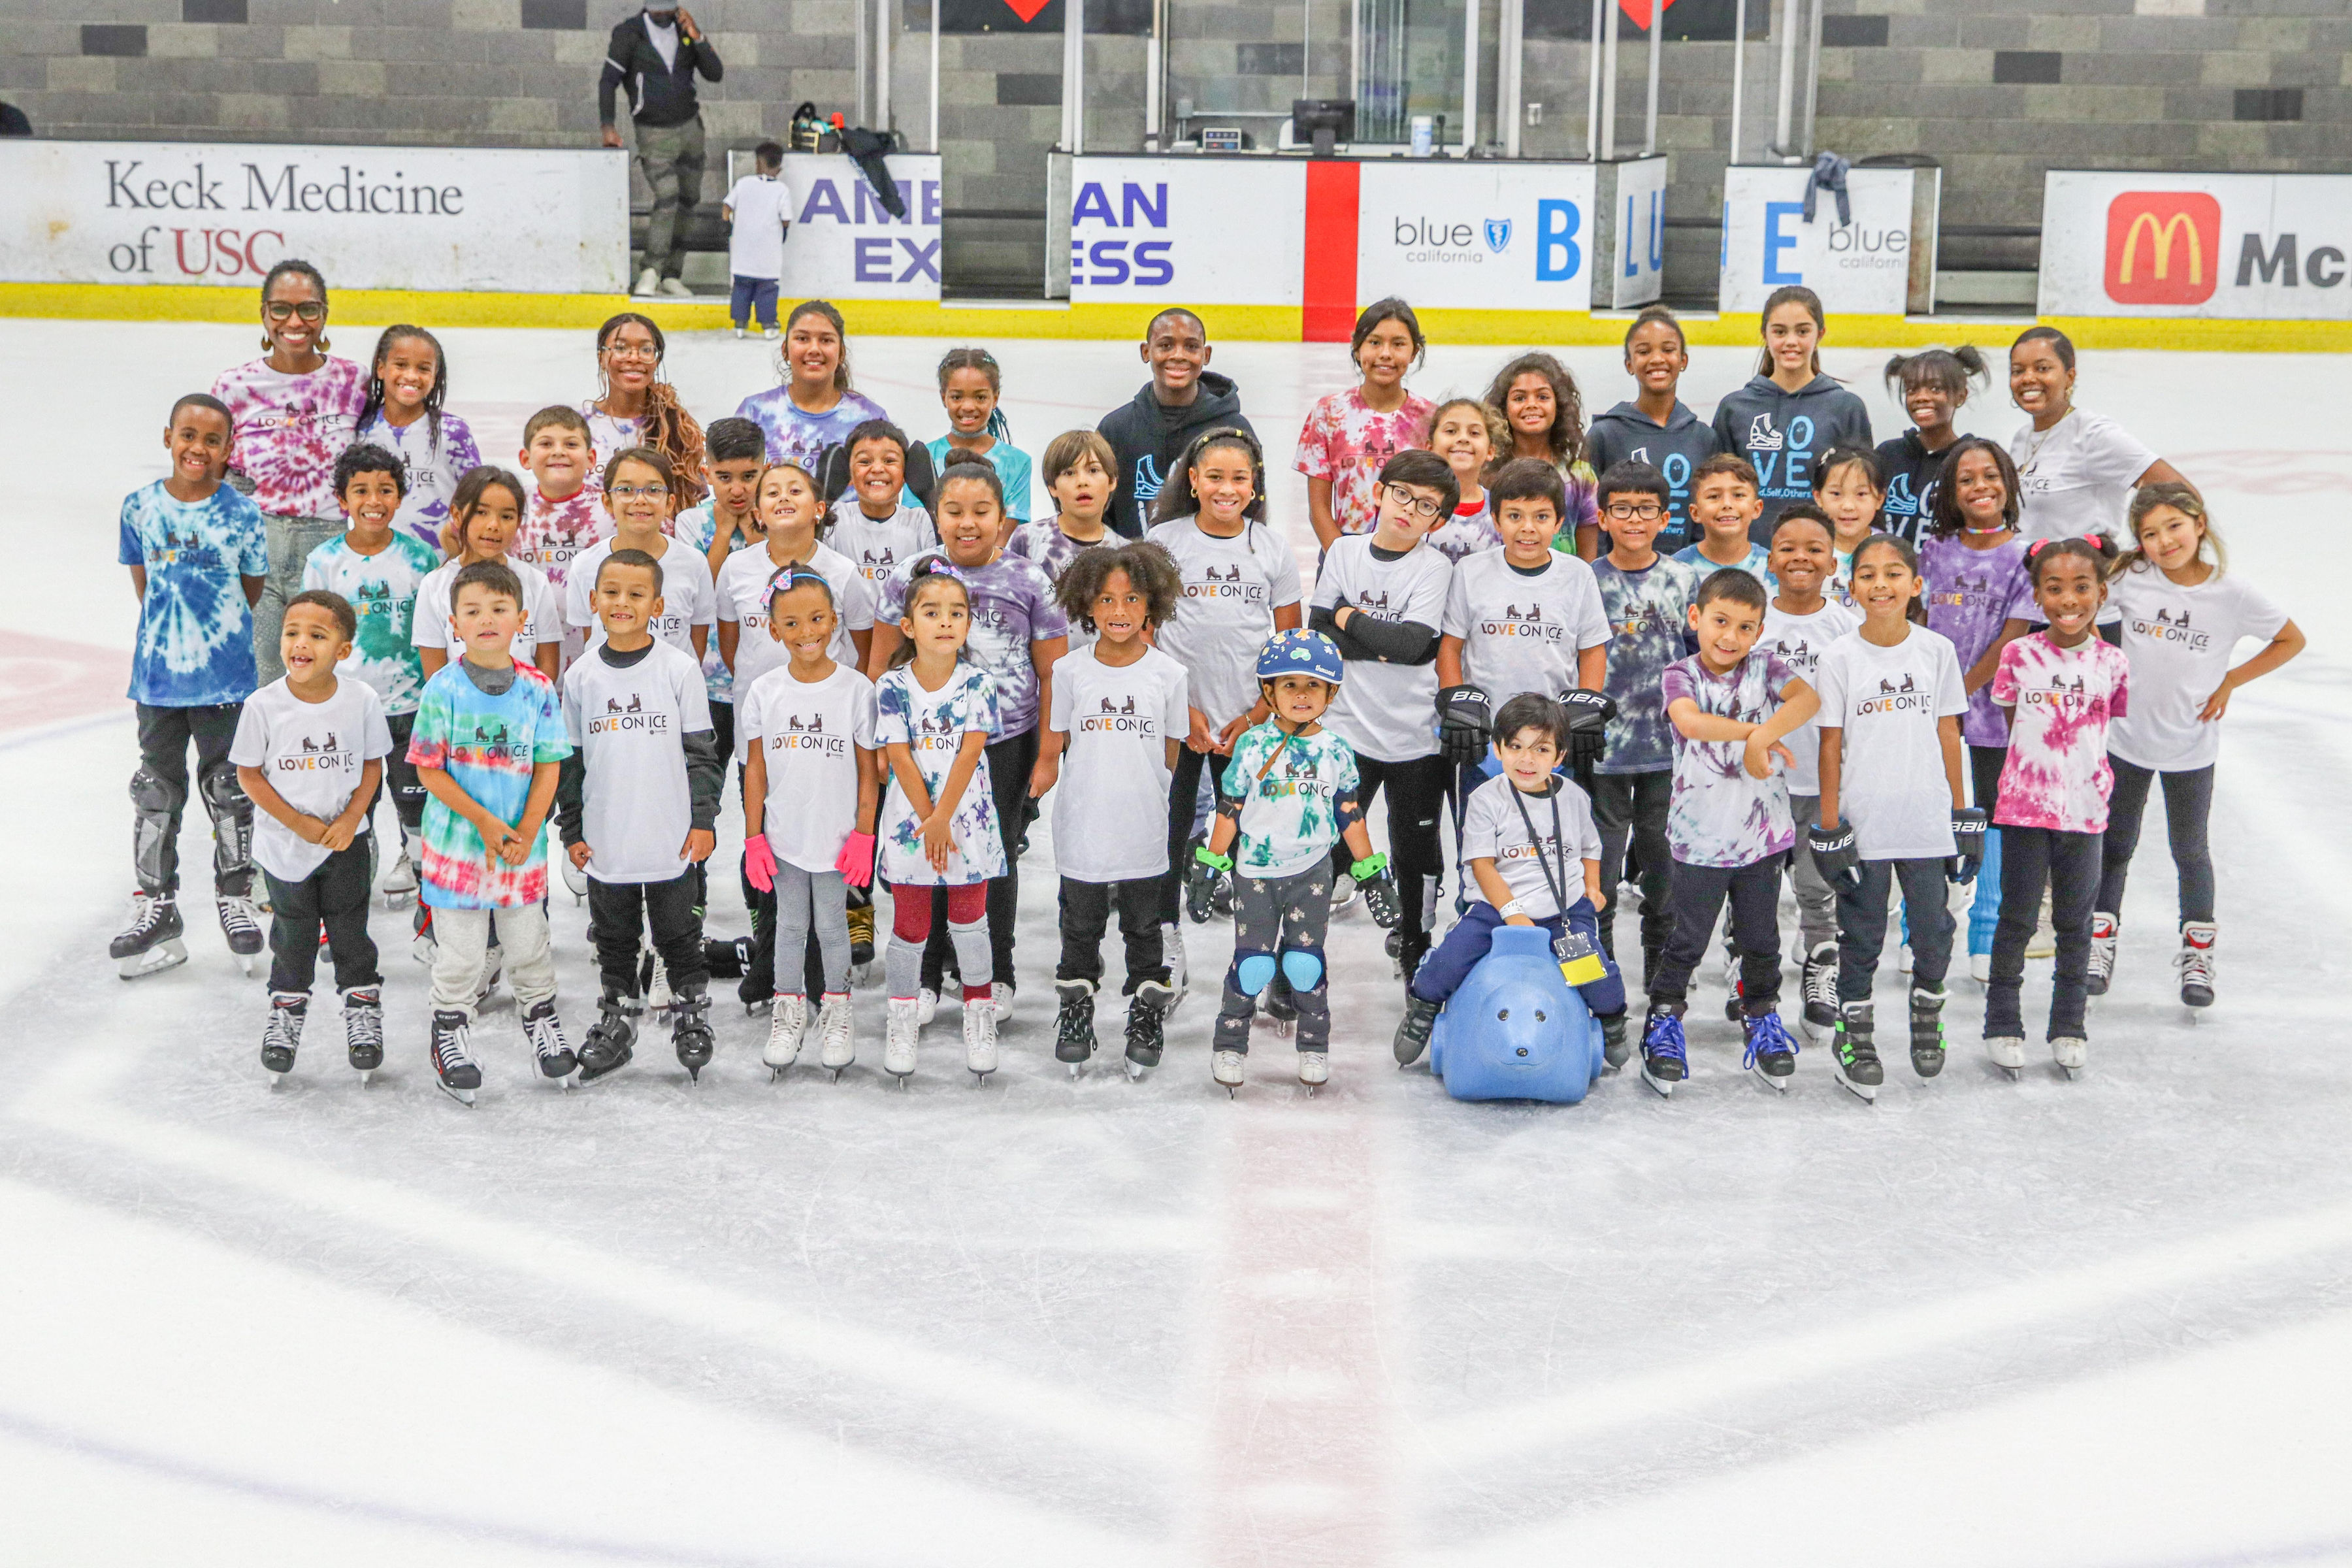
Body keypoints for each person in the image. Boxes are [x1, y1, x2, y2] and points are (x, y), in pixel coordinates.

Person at [870, 452, 1068, 1021]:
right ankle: (928, 972)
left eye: (982, 511)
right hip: (922, 746)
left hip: (1005, 742)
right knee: (927, 852)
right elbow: (882, 664)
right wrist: (882, 750)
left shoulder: (1028, 579)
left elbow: (1052, 670)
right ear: (935, 516)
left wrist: (1049, 751)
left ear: (1003, 517)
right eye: (953, 511)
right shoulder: (909, 576)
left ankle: (992, 970)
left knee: (990, 854)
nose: (967, 523)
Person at [2095, 484, 2302, 1007]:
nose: (2165, 541)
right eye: (2149, 534)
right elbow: (2090, 615)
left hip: (2191, 746)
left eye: (2174, 527)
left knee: (2189, 850)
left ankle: (2198, 954)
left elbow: (2290, 639)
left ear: (2199, 524)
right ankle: (2099, 943)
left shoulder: (2231, 593)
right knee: (2116, 845)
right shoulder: (2130, 578)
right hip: (2126, 740)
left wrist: (2230, 681)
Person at [1187, 630, 1399, 1094]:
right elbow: (1230, 810)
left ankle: (1314, 1044)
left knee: (1305, 964)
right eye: (1290, 685)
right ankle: (1230, 1041)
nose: (1301, 696)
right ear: (1269, 692)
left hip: (1312, 872)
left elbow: (1350, 815)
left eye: (1313, 686)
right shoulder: (1252, 746)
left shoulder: (1336, 751)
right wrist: (1210, 866)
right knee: (1254, 966)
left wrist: (1374, 876)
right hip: (1257, 873)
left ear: (1330, 694)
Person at [1637, 568, 1820, 1097]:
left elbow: (1808, 700)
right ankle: (1665, 1018)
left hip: (1762, 838)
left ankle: (1762, 1014)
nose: (1730, 637)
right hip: (1700, 838)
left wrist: (1765, 736)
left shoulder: (1766, 667)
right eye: (1720, 621)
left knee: (1762, 936)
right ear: (1696, 618)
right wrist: (1757, 735)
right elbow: (1692, 724)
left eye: (1745, 627)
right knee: (1686, 937)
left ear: (1759, 632)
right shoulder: (1681, 674)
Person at [1807, 534, 1974, 1101]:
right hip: (1866, 823)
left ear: (1916, 584)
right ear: (1851, 586)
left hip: (1926, 823)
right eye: (1868, 574)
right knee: (1862, 937)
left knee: (1933, 932)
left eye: (1894, 573)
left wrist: (1962, 814)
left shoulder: (1936, 651)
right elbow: (1830, 745)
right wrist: (1830, 825)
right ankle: (1854, 1039)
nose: (1881, 584)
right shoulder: (1838, 658)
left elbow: (1949, 733)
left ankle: (1927, 1015)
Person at [111, 393, 270, 981]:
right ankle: (158, 904)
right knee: (156, 788)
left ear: (228, 450)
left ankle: (235, 894)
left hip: (224, 676)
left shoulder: (242, 514)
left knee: (230, 786)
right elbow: (145, 581)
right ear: (168, 438)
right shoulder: (140, 508)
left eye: (211, 440)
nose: (197, 449)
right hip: (157, 677)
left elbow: (250, 588)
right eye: (187, 436)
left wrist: (211, 639)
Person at [407, 560, 577, 1105]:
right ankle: (450, 1030)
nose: (486, 620)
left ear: (521, 619)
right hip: (458, 852)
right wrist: (483, 821)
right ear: (454, 623)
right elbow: (428, 768)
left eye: (499, 610)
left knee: (529, 943)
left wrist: (527, 828)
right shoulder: (443, 689)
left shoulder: (538, 689)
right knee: (460, 953)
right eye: (473, 611)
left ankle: (542, 1018)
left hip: (521, 852)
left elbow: (550, 762)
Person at [557, 549, 724, 1084]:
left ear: (657, 605)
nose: (622, 603)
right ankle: (618, 1019)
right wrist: (573, 829)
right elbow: (571, 763)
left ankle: (691, 1014)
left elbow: (702, 753)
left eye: (635, 595)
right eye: (611, 593)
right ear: (593, 601)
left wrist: (703, 821)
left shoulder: (678, 669)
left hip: (671, 839)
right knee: (614, 938)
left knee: (678, 934)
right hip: (608, 842)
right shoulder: (580, 677)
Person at [1144, 426, 1301, 994]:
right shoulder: (1165, 542)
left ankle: (1259, 950)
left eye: (1239, 478)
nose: (1226, 488)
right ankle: (1165, 940)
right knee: (1171, 830)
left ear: (1254, 484)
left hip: (1250, 724)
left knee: (1255, 836)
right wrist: (1181, 710)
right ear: (1193, 480)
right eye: (1214, 477)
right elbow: (1146, 633)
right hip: (1180, 721)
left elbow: (1289, 646)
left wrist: (1260, 712)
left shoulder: (1271, 547)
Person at [1392, 694, 1629, 1068]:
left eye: (1541, 749)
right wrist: (1512, 912)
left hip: (1562, 914)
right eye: (1515, 746)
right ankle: (1422, 1010)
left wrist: (1593, 887)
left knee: (1597, 977)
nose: (1527, 759)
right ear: (1498, 749)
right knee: (1449, 962)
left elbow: (1590, 847)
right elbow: (1483, 865)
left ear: (1560, 756)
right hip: (1495, 911)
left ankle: (1612, 1021)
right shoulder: (1486, 799)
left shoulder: (1575, 799)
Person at [1029, 542, 1188, 1076]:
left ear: (1152, 606)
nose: (1118, 611)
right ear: (1086, 607)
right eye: (1105, 600)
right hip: (1085, 829)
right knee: (1081, 926)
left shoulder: (1169, 674)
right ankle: (1077, 1008)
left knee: (1145, 928)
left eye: (1132, 598)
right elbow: (1060, 740)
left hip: (1143, 830)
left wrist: (1149, 791)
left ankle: (1146, 1014)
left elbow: (1170, 751)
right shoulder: (1071, 673)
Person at [1308, 448, 1456, 983]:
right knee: (1323, 848)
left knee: (1414, 852)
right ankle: (1299, 962)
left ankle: (1416, 954)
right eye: (1402, 495)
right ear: (1379, 491)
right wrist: (1373, 638)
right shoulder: (1344, 552)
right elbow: (1319, 629)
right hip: (1347, 733)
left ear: (1437, 522)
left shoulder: (1436, 567)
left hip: (1416, 739)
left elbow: (1416, 645)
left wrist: (1350, 616)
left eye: (1425, 507)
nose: (1409, 510)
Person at [1984, 537, 2130, 1081]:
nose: (2069, 599)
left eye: (2081, 587)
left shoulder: (2112, 662)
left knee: (2075, 923)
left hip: (2087, 812)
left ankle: (2069, 1025)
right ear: (2038, 594)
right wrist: (2032, 773)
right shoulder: (2019, 655)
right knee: (2017, 919)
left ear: (2101, 592)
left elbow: (2105, 726)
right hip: (2025, 809)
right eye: (2054, 588)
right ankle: (2003, 1023)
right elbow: (2009, 718)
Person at [231, 589, 392, 1084]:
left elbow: (371, 765)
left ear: (343, 649)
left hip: (345, 846)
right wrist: (298, 823)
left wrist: (350, 820)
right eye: (292, 633)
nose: (301, 644)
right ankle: (286, 1014)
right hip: (286, 851)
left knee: (350, 934)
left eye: (317, 636)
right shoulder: (263, 705)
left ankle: (362, 1010)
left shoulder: (360, 700)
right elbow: (249, 775)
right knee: (293, 938)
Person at [740, 568, 880, 1079]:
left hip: (837, 836)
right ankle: (788, 1009)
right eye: (792, 623)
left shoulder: (856, 689)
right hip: (784, 836)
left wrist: (865, 833)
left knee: (832, 924)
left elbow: (869, 772)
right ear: (774, 629)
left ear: (835, 621)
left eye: (818, 619)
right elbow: (755, 768)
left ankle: (838, 1010)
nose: (807, 632)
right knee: (789, 925)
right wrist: (753, 835)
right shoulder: (764, 691)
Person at [873, 563, 1007, 1083]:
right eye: (932, 612)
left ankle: (978, 1011)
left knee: (969, 921)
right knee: (911, 925)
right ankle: (902, 1013)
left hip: (963, 821)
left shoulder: (979, 683)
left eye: (957, 613)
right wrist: (927, 822)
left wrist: (945, 819)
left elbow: (971, 752)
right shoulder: (890, 686)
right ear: (909, 625)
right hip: (913, 821)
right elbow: (899, 758)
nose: (946, 622)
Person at [300, 443, 442, 906]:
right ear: (343, 499)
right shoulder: (324, 562)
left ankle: (430, 908)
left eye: (385, 490)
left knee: (417, 809)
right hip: (349, 711)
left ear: (400, 497)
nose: (374, 501)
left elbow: (438, 632)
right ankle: (342, 910)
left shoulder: (421, 559)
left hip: (412, 709)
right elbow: (311, 635)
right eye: (361, 491)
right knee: (351, 811)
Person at [212, 259, 367, 685]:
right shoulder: (234, 387)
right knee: (263, 679)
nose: (294, 321)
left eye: (308, 309)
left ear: (325, 315)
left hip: (328, 544)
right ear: (264, 314)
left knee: (325, 674)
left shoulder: (354, 382)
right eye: (280, 309)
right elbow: (212, 478)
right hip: (256, 545)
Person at [1919, 437, 2036, 980]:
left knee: (1989, 816)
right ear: (1951, 493)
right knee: (1929, 810)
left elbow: (2012, 639)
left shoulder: (2024, 557)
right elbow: (1918, 625)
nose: (1980, 487)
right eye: (1966, 479)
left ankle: (1985, 935)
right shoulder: (1935, 549)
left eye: (1990, 476)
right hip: (1933, 714)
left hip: (1991, 716)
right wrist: (1935, 697)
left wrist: (1961, 691)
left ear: (2009, 482)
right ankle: (1917, 926)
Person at [1587, 460, 1703, 973]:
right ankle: (1602, 953)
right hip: (1602, 748)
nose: (1634, 519)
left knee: (1662, 859)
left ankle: (1662, 957)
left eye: (1646, 510)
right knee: (1603, 864)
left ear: (1665, 518)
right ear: (1603, 517)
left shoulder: (1684, 579)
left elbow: (1702, 657)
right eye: (1622, 510)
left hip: (1667, 747)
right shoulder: (1586, 580)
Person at [1756, 503, 1859, 1043]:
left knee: (1818, 885)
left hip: (1822, 784)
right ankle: (1747, 969)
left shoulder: (1847, 625)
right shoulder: (1754, 619)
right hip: (1758, 782)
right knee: (1753, 884)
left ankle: (1821, 966)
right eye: (1789, 547)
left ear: (1833, 562)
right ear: (1770, 558)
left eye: (1815, 548)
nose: (1801, 557)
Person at [1710, 284, 1872, 536]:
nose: (1791, 342)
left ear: (1820, 334)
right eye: (1780, 332)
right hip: (1747, 555)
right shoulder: (1735, 409)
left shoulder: (1846, 408)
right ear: (1765, 334)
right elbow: (1716, 490)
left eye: (1803, 331)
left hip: (1818, 556)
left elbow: (1860, 494)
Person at [2006, 326, 2188, 548]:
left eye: (2043, 368)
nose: (2028, 378)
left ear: (2069, 376)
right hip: (2030, 576)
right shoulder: (2021, 438)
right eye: (2018, 371)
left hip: (2079, 576)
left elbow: (2181, 493)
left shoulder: (2093, 434)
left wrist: (2140, 554)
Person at [1098, 308, 1258, 539]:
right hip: (1133, 568)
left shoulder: (1234, 429)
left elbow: (1251, 504)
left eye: (1191, 347)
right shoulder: (1116, 428)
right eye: (1165, 346)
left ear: (1206, 355)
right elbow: (1100, 513)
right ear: (1146, 352)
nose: (1178, 355)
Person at [600, 4, 724, 298]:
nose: (663, 16)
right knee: (667, 196)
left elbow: (715, 73)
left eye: (667, 10)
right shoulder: (629, 34)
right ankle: (651, 270)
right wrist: (608, 126)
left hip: (691, 128)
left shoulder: (684, 31)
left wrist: (697, 36)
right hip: (653, 130)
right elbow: (608, 81)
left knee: (689, 199)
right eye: (657, 11)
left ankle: (672, 273)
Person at [1295, 299, 1435, 549]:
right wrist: (1342, 561)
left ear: (1414, 352)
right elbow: (1319, 509)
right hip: (1344, 549)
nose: (1385, 354)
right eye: (1375, 342)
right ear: (1357, 349)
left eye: (1398, 344)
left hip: (1412, 553)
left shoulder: (1431, 419)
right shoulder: (1329, 413)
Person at [565, 448, 717, 662]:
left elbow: (697, 640)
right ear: (608, 502)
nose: (640, 500)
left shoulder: (694, 563)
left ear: (670, 503)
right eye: (626, 489)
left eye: (654, 490)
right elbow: (591, 638)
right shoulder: (585, 564)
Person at [675, 417, 771, 758]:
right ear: (706, 473)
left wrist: (754, 534)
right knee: (703, 786)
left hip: (766, 679)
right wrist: (724, 531)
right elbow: (700, 593)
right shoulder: (691, 522)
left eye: (749, 476)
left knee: (760, 782)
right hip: (707, 684)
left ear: (766, 469)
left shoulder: (778, 519)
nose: (737, 490)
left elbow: (776, 589)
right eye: (724, 477)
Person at [414, 466, 564, 683]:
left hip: (523, 713)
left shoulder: (535, 582)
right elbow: (435, 676)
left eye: (506, 516)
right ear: (457, 515)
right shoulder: (434, 585)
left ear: (519, 522)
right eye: (481, 512)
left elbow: (547, 666)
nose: (494, 525)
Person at [1584, 307, 1713, 556]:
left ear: (1683, 361)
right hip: (1619, 576)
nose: (1657, 359)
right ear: (1630, 364)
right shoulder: (1604, 436)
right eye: (1644, 352)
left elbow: (1707, 516)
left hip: (1685, 576)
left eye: (1668, 350)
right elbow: (1592, 516)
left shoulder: (1704, 438)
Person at [351, 325, 482, 550]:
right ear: (381, 369)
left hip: (439, 565)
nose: (411, 376)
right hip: (374, 559)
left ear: (434, 377)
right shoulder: (361, 430)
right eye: (401, 365)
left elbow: (477, 499)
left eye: (423, 369)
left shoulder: (453, 432)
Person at [734, 300, 892, 472]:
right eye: (802, 339)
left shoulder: (869, 418)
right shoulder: (755, 413)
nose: (814, 349)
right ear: (785, 350)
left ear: (841, 353)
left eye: (826, 340)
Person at [508, 405, 607, 660]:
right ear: (525, 458)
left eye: (571, 444)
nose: (559, 451)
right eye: (546, 444)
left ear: (592, 458)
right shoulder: (511, 505)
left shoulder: (612, 507)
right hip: (528, 654)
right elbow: (456, 535)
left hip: (599, 654)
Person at [1482, 351, 1600, 555]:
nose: (1531, 405)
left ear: (1559, 405)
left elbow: (1587, 560)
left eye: (1543, 396)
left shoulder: (1580, 476)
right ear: (1503, 407)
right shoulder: (1486, 473)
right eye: (1519, 398)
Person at [583, 314, 706, 506]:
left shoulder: (677, 426)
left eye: (646, 349)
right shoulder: (581, 428)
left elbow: (693, 504)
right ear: (602, 357)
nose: (634, 358)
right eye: (620, 348)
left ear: (656, 360)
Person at [1875, 346, 1985, 545]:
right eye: (1912, 389)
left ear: (1961, 396)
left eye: (1935, 389)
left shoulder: (1973, 459)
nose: (1921, 397)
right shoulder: (1887, 455)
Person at [1007, 429, 1119, 597]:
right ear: (1052, 486)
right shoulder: (1027, 539)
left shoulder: (1123, 552)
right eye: (1069, 473)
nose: (1082, 482)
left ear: (1112, 481)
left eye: (1093, 471)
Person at [929, 348, 1033, 527]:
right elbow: (919, 525)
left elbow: (1009, 536)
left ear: (995, 398)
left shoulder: (1017, 462)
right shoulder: (925, 457)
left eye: (980, 397)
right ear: (943, 397)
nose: (968, 406)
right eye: (957, 397)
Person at [830, 419, 940, 587]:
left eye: (889, 461)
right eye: (865, 462)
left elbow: (941, 572)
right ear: (849, 474)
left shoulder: (920, 520)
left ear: (906, 473)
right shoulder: (835, 518)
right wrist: (825, 497)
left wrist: (932, 500)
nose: (877, 469)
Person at [1421, 398, 1505, 563]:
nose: (1463, 439)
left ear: (1490, 451)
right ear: (1429, 448)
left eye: (1474, 433)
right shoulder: (1410, 506)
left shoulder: (1502, 509)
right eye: (1451, 431)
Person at [723, 141, 791, 339]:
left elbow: (727, 207)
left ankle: (740, 324)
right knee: (767, 289)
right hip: (768, 255)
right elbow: (786, 219)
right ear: (779, 167)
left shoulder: (744, 184)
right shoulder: (782, 190)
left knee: (742, 287)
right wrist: (782, 232)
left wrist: (728, 226)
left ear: (758, 164)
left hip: (743, 253)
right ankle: (768, 325)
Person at [1676, 453, 1775, 585]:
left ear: (1757, 509)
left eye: (1739, 495)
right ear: (1695, 513)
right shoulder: (1674, 572)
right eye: (1714, 496)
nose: (1727, 504)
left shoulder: (1775, 570)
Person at [1811, 446, 1885, 608]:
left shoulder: (1890, 552)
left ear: (1879, 499)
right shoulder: (1806, 551)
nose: (1848, 506)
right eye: (1836, 494)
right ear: (1818, 497)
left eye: (1861, 494)